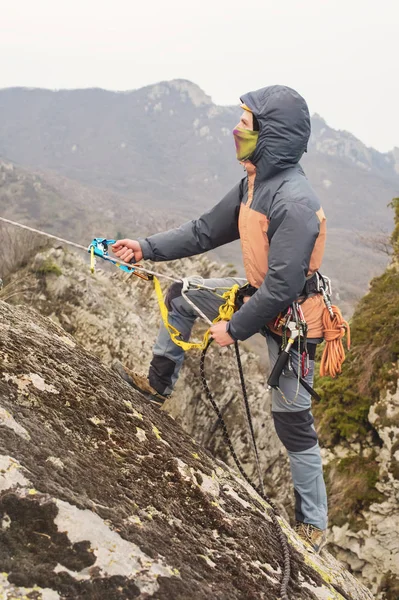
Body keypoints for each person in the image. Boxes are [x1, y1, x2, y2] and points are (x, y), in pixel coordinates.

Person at [112, 85, 328, 552]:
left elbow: (282, 287)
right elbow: (205, 231)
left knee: (292, 421)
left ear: (270, 135)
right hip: (261, 298)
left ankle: (311, 526)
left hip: (296, 323)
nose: (237, 129)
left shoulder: (294, 203)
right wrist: (145, 247)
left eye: (246, 122)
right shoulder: (255, 184)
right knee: (181, 295)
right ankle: (158, 385)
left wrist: (234, 327)